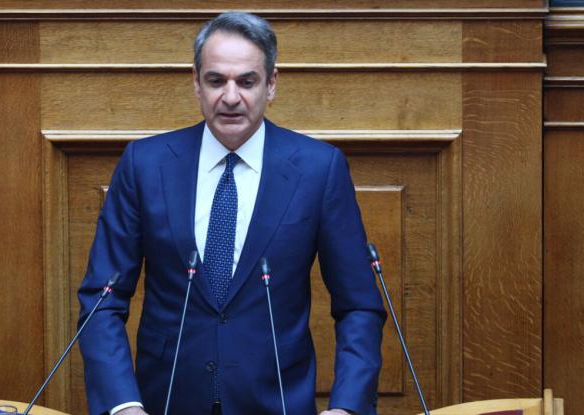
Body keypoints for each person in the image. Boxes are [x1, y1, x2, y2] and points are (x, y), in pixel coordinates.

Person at [77, 12, 386, 415]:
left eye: (247, 81)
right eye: (216, 80)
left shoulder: (318, 169)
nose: (231, 96)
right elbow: (103, 298)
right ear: (196, 83)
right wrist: (122, 405)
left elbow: (358, 305)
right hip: (165, 402)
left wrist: (347, 406)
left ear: (271, 84)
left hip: (277, 403)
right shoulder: (145, 164)